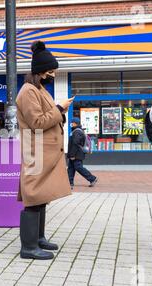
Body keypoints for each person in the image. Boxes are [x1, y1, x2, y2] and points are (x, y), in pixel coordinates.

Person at [16, 40, 74, 260]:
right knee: (33, 196)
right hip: (36, 153)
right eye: (51, 71)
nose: (53, 75)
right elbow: (38, 122)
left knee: (41, 196)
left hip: (45, 153)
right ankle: (28, 247)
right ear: (40, 72)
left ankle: (38, 239)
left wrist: (59, 110)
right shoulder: (28, 92)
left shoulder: (39, 89)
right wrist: (60, 108)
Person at [67, 117, 98, 190]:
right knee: (71, 168)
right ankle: (69, 183)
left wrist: (72, 155)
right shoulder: (76, 131)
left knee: (78, 167)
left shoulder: (77, 132)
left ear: (75, 123)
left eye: (72, 122)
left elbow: (75, 144)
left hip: (77, 154)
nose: (71, 124)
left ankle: (92, 178)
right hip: (75, 154)